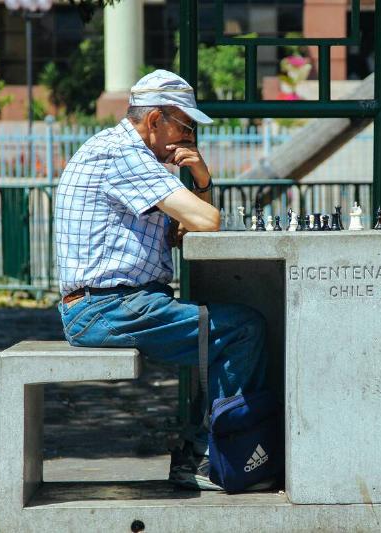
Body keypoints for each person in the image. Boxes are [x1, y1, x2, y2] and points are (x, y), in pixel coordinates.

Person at [54, 70, 268, 491]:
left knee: (225, 331)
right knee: (242, 329)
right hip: (106, 306)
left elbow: (186, 229)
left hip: (118, 302)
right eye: (184, 126)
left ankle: (203, 451)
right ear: (154, 120)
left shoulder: (135, 156)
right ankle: (212, 458)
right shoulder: (123, 155)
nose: (188, 139)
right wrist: (203, 180)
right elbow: (207, 220)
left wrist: (198, 186)